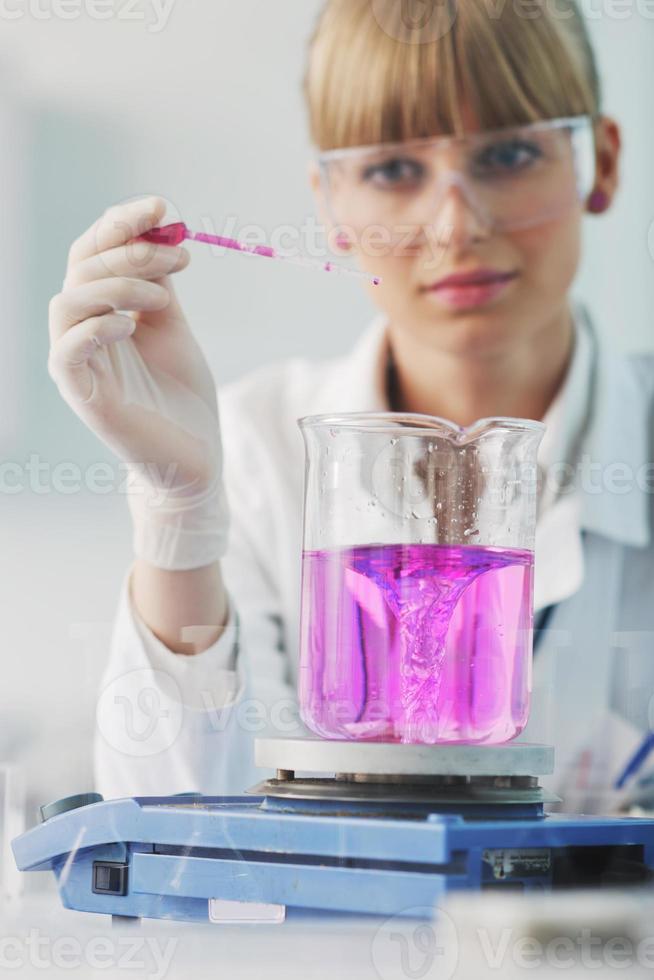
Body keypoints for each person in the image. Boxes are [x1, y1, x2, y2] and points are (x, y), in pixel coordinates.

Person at [48, 0, 653, 812]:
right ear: (330, 203)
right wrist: (180, 512)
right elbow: (182, 841)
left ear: (600, 164)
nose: (455, 225)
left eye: (509, 153)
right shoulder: (257, 451)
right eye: (394, 170)